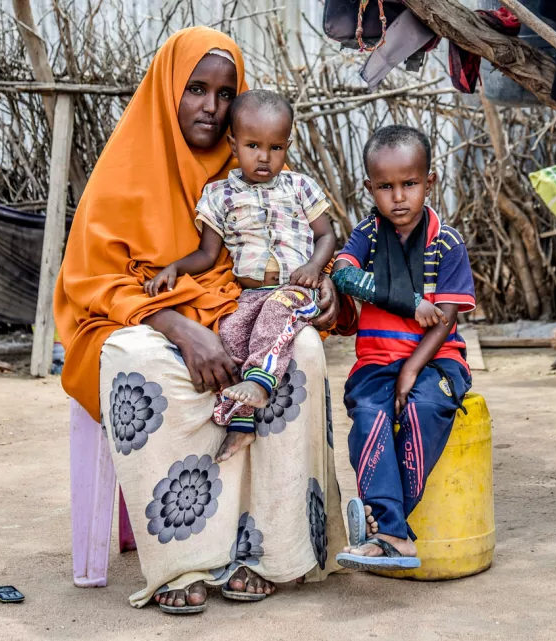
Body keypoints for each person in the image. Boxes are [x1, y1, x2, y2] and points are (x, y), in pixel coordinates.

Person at [54, 27, 346, 614]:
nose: (210, 108)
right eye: (195, 89)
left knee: (304, 350)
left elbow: (292, 248)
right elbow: (92, 280)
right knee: (137, 362)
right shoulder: (124, 170)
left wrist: (326, 280)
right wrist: (180, 328)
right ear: (168, 90)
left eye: (223, 92)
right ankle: (182, 563)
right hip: (143, 319)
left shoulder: (250, 169)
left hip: (234, 310)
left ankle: (272, 552)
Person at [144, 89, 336, 455]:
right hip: (249, 295)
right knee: (231, 335)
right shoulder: (218, 196)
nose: (264, 157)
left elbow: (326, 234)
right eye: (252, 146)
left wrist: (314, 267)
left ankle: (261, 386)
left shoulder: (300, 187)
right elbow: (206, 253)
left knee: (275, 316)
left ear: (287, 146)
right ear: (233, 144)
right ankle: (242, 422)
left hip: (295, 290)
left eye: (275, 148)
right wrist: (173, 268)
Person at [330, 125, 475, 571]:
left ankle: (386, 530)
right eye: (385, 187)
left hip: (437, 360)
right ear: (369, 188)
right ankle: (393, 535)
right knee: (371, 417)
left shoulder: (446, 242)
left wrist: (412, 369)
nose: (398, 197)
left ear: (428, 183)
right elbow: (342, 274)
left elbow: (446, 317)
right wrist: (410, 303)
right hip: (375, 362)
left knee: (421, 409)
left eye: (409, 184)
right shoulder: (369, 235)